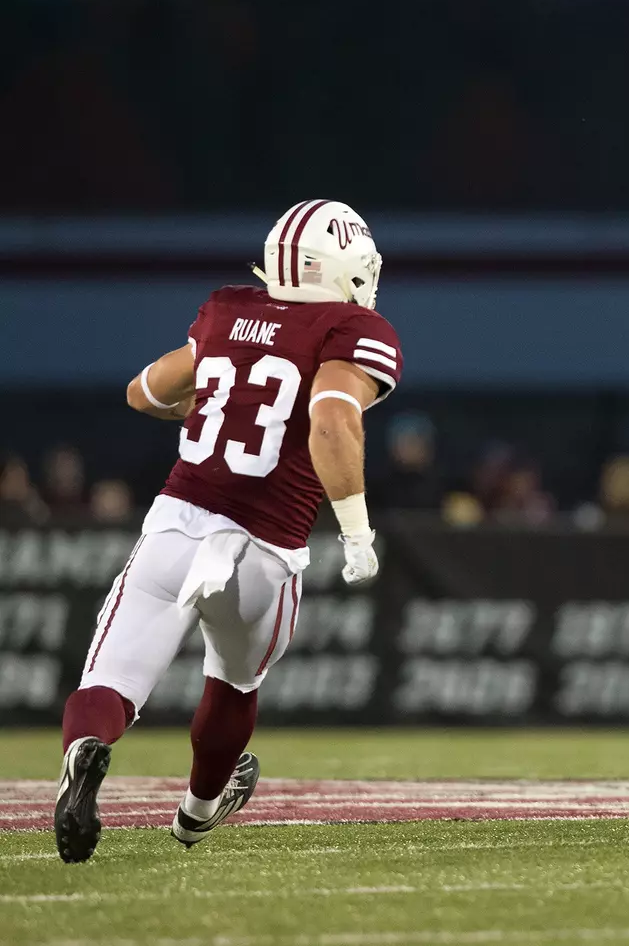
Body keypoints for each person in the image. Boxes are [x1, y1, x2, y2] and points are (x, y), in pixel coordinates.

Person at [54, 199, 400, 862]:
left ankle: (85, 753)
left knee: (110, 683)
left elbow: (144, 392)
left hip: (178, 526)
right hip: (264, 550)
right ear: (345, 268)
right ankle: (196, 813)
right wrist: (357, 532)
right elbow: (329, 417)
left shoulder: (225, 310)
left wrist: (219, 400)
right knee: (234, 684)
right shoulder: (353, 327)